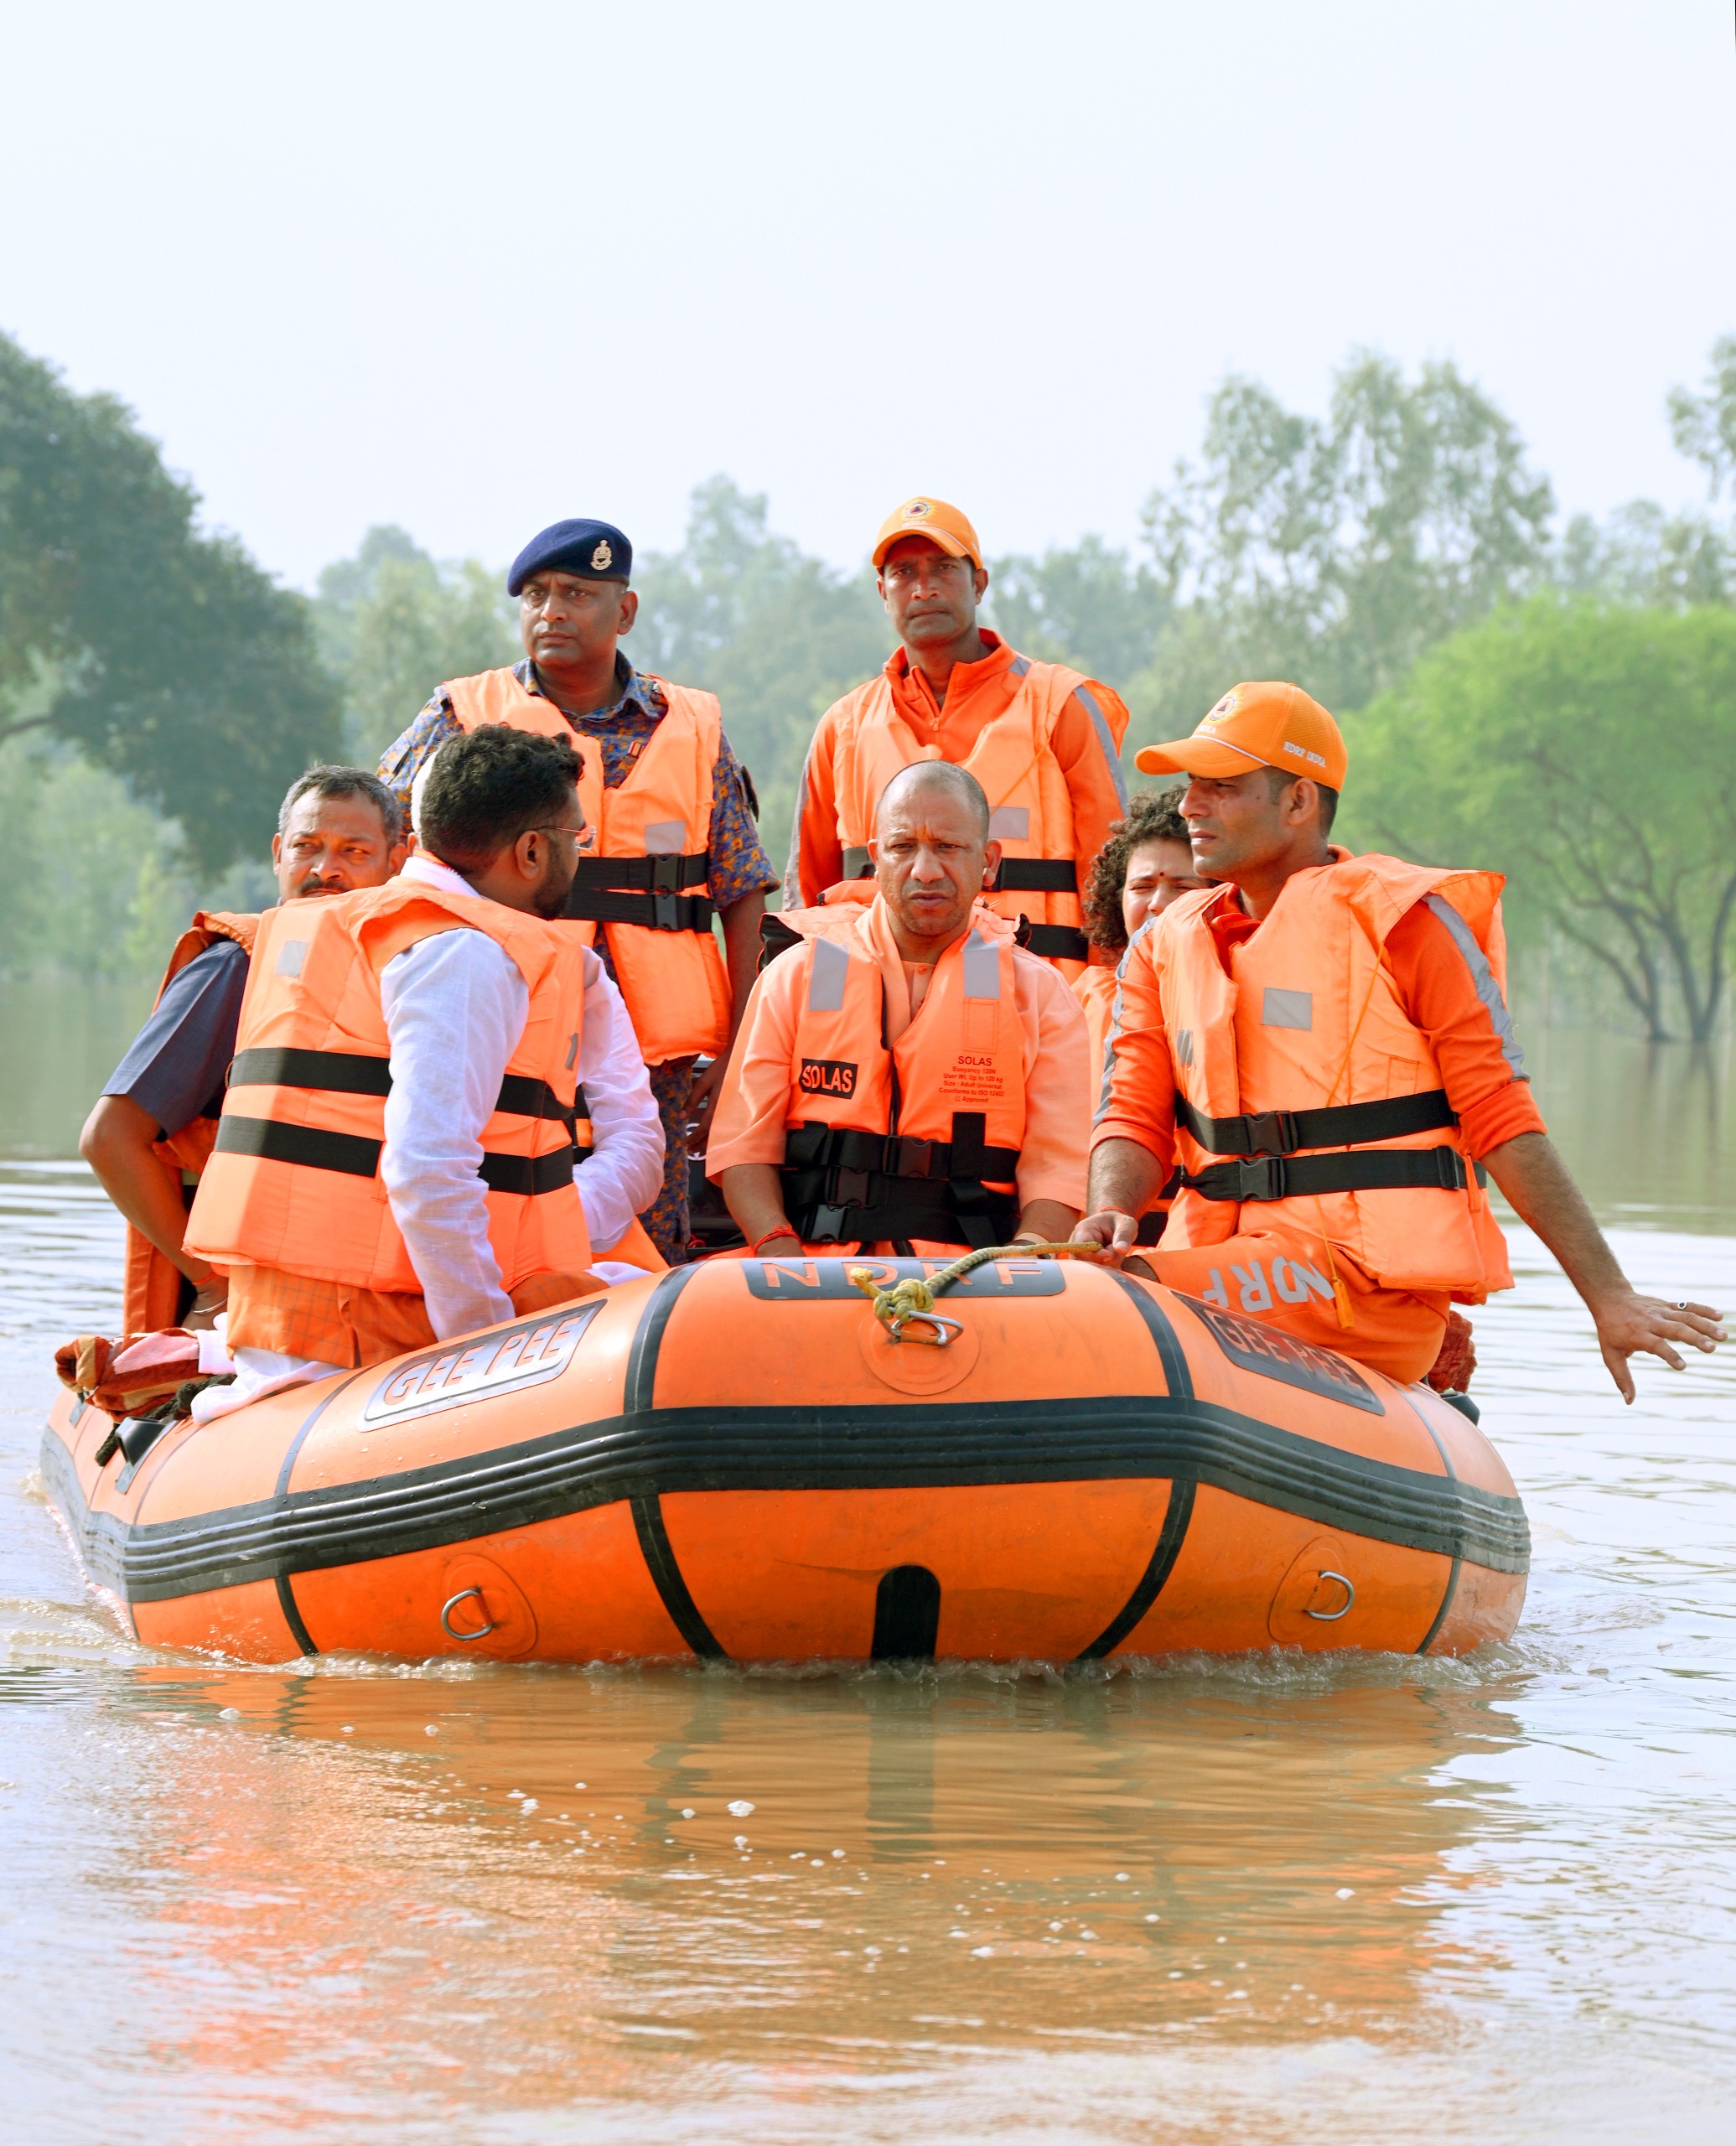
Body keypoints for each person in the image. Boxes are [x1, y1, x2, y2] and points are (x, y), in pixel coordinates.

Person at [1074, 681, 1727, 1399]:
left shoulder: (1405, 922)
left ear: (1298, 802)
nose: (1190, 806)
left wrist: (1608, 1296)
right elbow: (1130, 1115)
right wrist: (1114, 1210)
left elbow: (1501, 1118)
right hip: (1224, 1257)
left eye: (1222, 786)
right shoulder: (1160, 947)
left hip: (1364, 1279)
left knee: (1126, 1299)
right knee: (1087, 1281)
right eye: (1191, 785)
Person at [182, 727, 662, 1422]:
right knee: (654, 1310)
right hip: (372, 1341)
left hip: (300, 1324)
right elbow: (426, 1169)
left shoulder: (376, 926)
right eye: (575, 841)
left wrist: (543, 1228)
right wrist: (486, 1348)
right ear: (532, 851)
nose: (576, 858)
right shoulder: (464, 955)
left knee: (626, 1285)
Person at [377, 517, 778, 1262]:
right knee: (505, 1222)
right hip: (506, 1034)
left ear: (622, 612)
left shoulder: (691, 725)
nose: (550, 610)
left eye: (575, 593)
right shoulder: (462, 715)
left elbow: (744, 892)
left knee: (644, 1248)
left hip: (657, 1067)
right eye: (534, 594)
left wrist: (738, 1050)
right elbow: (379, 839)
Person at [708, 760, 1090, 1257]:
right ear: (875, 857)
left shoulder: (1039, 994)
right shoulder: (795, 976)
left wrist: (1021, 1262)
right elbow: (743, 1149)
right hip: (810, 1265)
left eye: (949, 847)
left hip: (976, 1277)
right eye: (903, 847)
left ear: (989, 861)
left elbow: (1059, 1173)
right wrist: (782, 1256)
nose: (926, 870)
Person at [80, 766, 407, 1336]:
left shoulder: (414, 976)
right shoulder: (237, 970)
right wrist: (210, 1283)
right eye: (306, 847)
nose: (324, 870)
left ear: (396, 863)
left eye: (354, 852)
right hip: (242, 1307)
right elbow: (109, 1138)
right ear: (279, 854)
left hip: (364, 1306)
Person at [785, 496, 1132, 972]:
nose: (924, 588)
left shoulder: (1062, 706)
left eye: (943, 568)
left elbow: (1115, 883)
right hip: (875, 1012)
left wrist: (1104, 1016)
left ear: (979, 584)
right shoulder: (842, 729)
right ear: (883, 594)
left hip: (1034, 1005)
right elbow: (803, 898)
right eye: (904, 572)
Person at [1075, 785, 1210, 1076]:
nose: (1158, 904)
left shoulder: (1241, 995)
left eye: (1183, 887)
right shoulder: (1074, 1005)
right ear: (1117, 899)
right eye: (1142, 887)